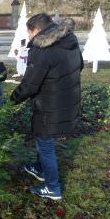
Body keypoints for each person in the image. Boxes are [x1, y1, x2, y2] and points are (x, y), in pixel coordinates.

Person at [10, 13, 83, 200]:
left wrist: (12, 99)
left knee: (46, 145)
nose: (29, 36)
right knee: (44, 140)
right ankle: (39, 168)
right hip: (68, 99)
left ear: (36, 30)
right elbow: (79, 66)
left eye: (29, 31)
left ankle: (52, 188)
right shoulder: (69, 40)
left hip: (50, 106)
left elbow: (30, 85)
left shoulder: (42, 49)